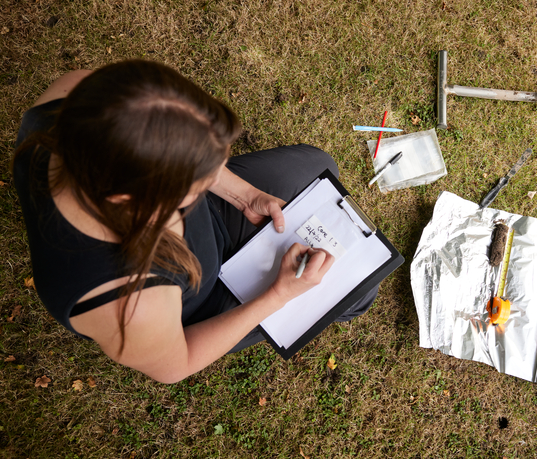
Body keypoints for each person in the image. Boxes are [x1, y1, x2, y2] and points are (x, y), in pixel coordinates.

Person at [13, 60, 378, 384]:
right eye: (196, 182)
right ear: (133, 199)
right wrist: (278, 296)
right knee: (360, 289)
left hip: (206, 231)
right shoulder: (129, 303)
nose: (211, 179)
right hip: (195, 301)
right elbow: (177, 364)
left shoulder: (74, 95)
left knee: (319, 167)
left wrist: (243, 195)